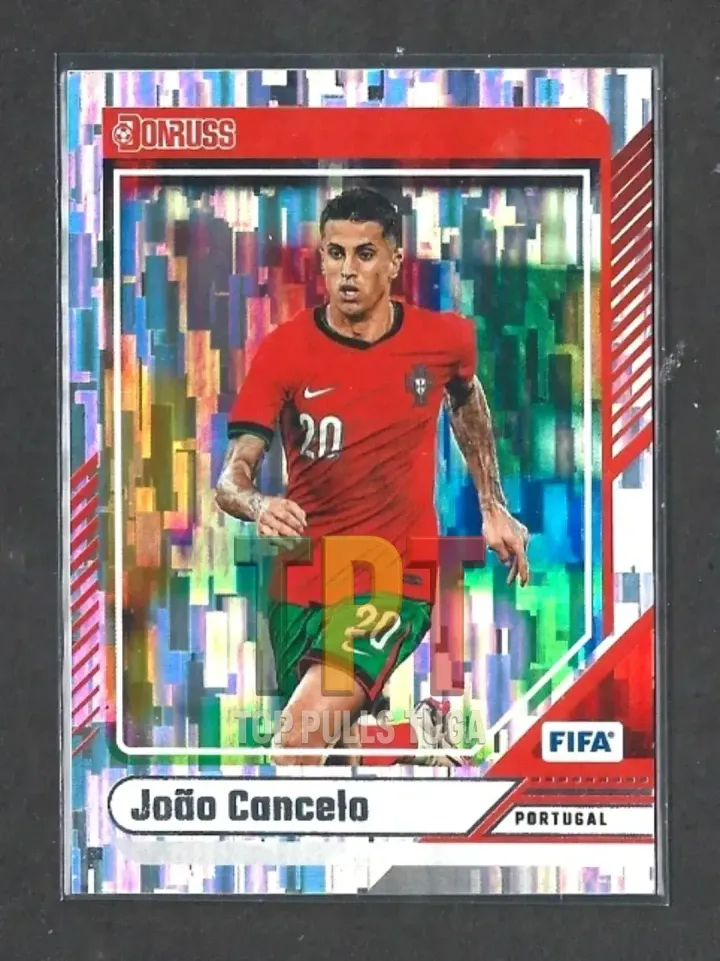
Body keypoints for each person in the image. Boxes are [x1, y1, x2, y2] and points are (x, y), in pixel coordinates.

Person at [215, 186, 529, 765]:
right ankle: (415, 740)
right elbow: (231, 478)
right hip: (305, 577)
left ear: (394, 261)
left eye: (364, 254)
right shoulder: (285, 352)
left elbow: (466, 397)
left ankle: (396, 742)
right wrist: (259, 504)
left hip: (393, 570)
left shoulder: (442, 340)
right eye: (335, 254)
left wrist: (492, 503)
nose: (347, 271)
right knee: (329, 749)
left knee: (297, 745)